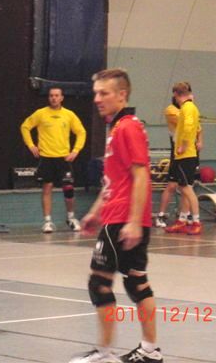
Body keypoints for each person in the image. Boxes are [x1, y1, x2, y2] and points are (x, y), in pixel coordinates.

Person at [70, 68, 162, 363]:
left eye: (104, 93)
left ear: (122, 95)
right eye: (95, 93)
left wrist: (134, 221)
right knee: (136, 283)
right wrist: (95, 212)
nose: (97, 99)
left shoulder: (127, 128)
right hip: (119, 214)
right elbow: (115, 180)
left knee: (99, 283)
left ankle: (104, 354)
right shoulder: (120, 127)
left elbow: (141, 175)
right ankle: (150, 351)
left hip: (123, 218)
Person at [20, 87, 87, 233]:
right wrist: (31, 145)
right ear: (48, 98)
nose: (54, 98)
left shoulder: (69, 115)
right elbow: (25, 126)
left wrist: (75, 150)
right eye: (51, 96)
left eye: (57, 95)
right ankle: (48, 221)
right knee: (47, 188)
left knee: (68, 190)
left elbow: (81, 132)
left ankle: (71, 218)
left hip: (63, 158)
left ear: (62, 98)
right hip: (46, 158)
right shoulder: (41, 113)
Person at [155, 89, 203, 228]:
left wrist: (193, 142)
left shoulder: (188, 108)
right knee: (177, 185)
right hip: (179, 152)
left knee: (186, 187)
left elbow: (194, 127)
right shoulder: (175, 109)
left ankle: (192, 219)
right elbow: (188, 124)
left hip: (186, 152)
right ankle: (175, 217)